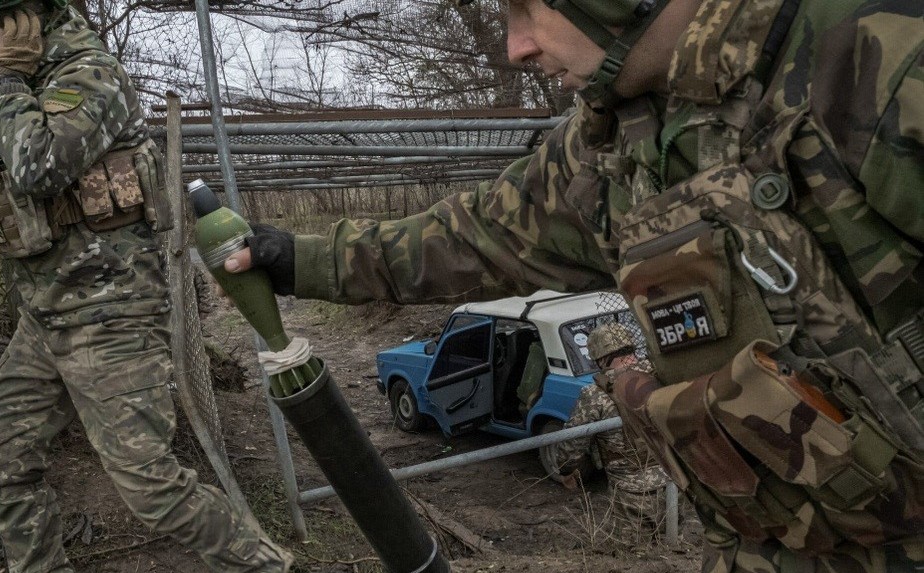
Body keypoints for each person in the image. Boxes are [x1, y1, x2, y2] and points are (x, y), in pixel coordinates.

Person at [226, 0, 924, 571]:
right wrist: (299, 259)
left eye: (529, 8)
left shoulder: (869, 54)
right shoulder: (606, 148)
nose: (516, 47)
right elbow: (463, 238)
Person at [0, 1, 292, 571]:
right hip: (44, 321)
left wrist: (7, 78)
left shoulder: (89, 76)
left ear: (26, 21)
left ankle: (269, 566)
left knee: (151, 489)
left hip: (112, 320)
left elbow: (38, 168)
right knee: (1, 459)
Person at [555, 323, 673, 546]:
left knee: (632, 555)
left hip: (631, 491)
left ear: (600, 358)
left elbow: (573, 441)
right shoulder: (660, 375)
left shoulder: (595, 393)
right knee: (673, 547)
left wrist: (566, 470)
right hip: (674, 482)